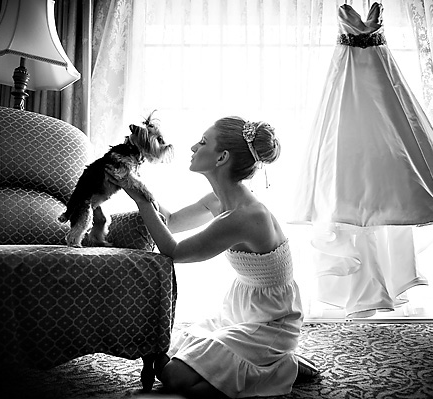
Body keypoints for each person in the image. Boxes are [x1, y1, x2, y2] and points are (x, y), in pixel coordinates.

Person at [111, 116, 318, 398]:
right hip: (243, 309)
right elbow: (170, 221)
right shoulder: (219, 200)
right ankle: (266, 362)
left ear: (222, 157)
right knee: (171, 354)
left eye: (204, 142)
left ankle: (282, 367)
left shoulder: (246, 215)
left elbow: (174, 251)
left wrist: (140, 197)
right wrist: (136, 182)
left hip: (272, 321)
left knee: (174, 376)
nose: (194, 147)